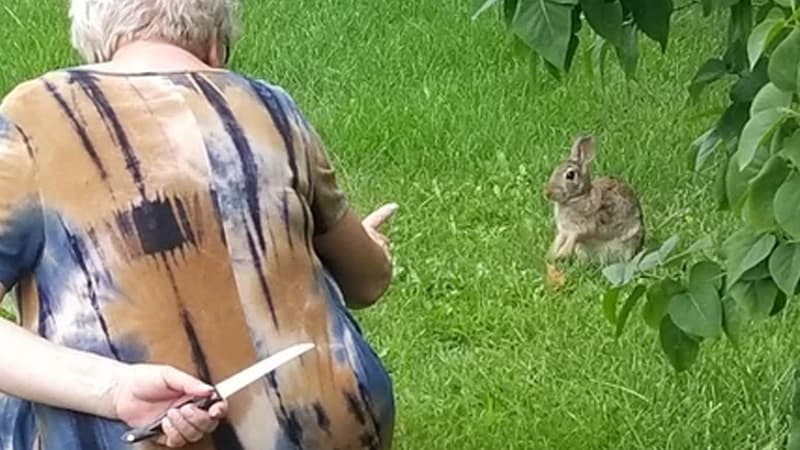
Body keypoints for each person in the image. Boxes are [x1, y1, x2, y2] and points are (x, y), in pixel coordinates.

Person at [0, 0, 397, 449]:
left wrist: (112, 388)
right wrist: (368, 244)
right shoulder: (272, 107)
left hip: (133, 435)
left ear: (99, 42)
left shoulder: (34, 116)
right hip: (340, 424)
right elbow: (367, 281)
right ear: (214, 45)